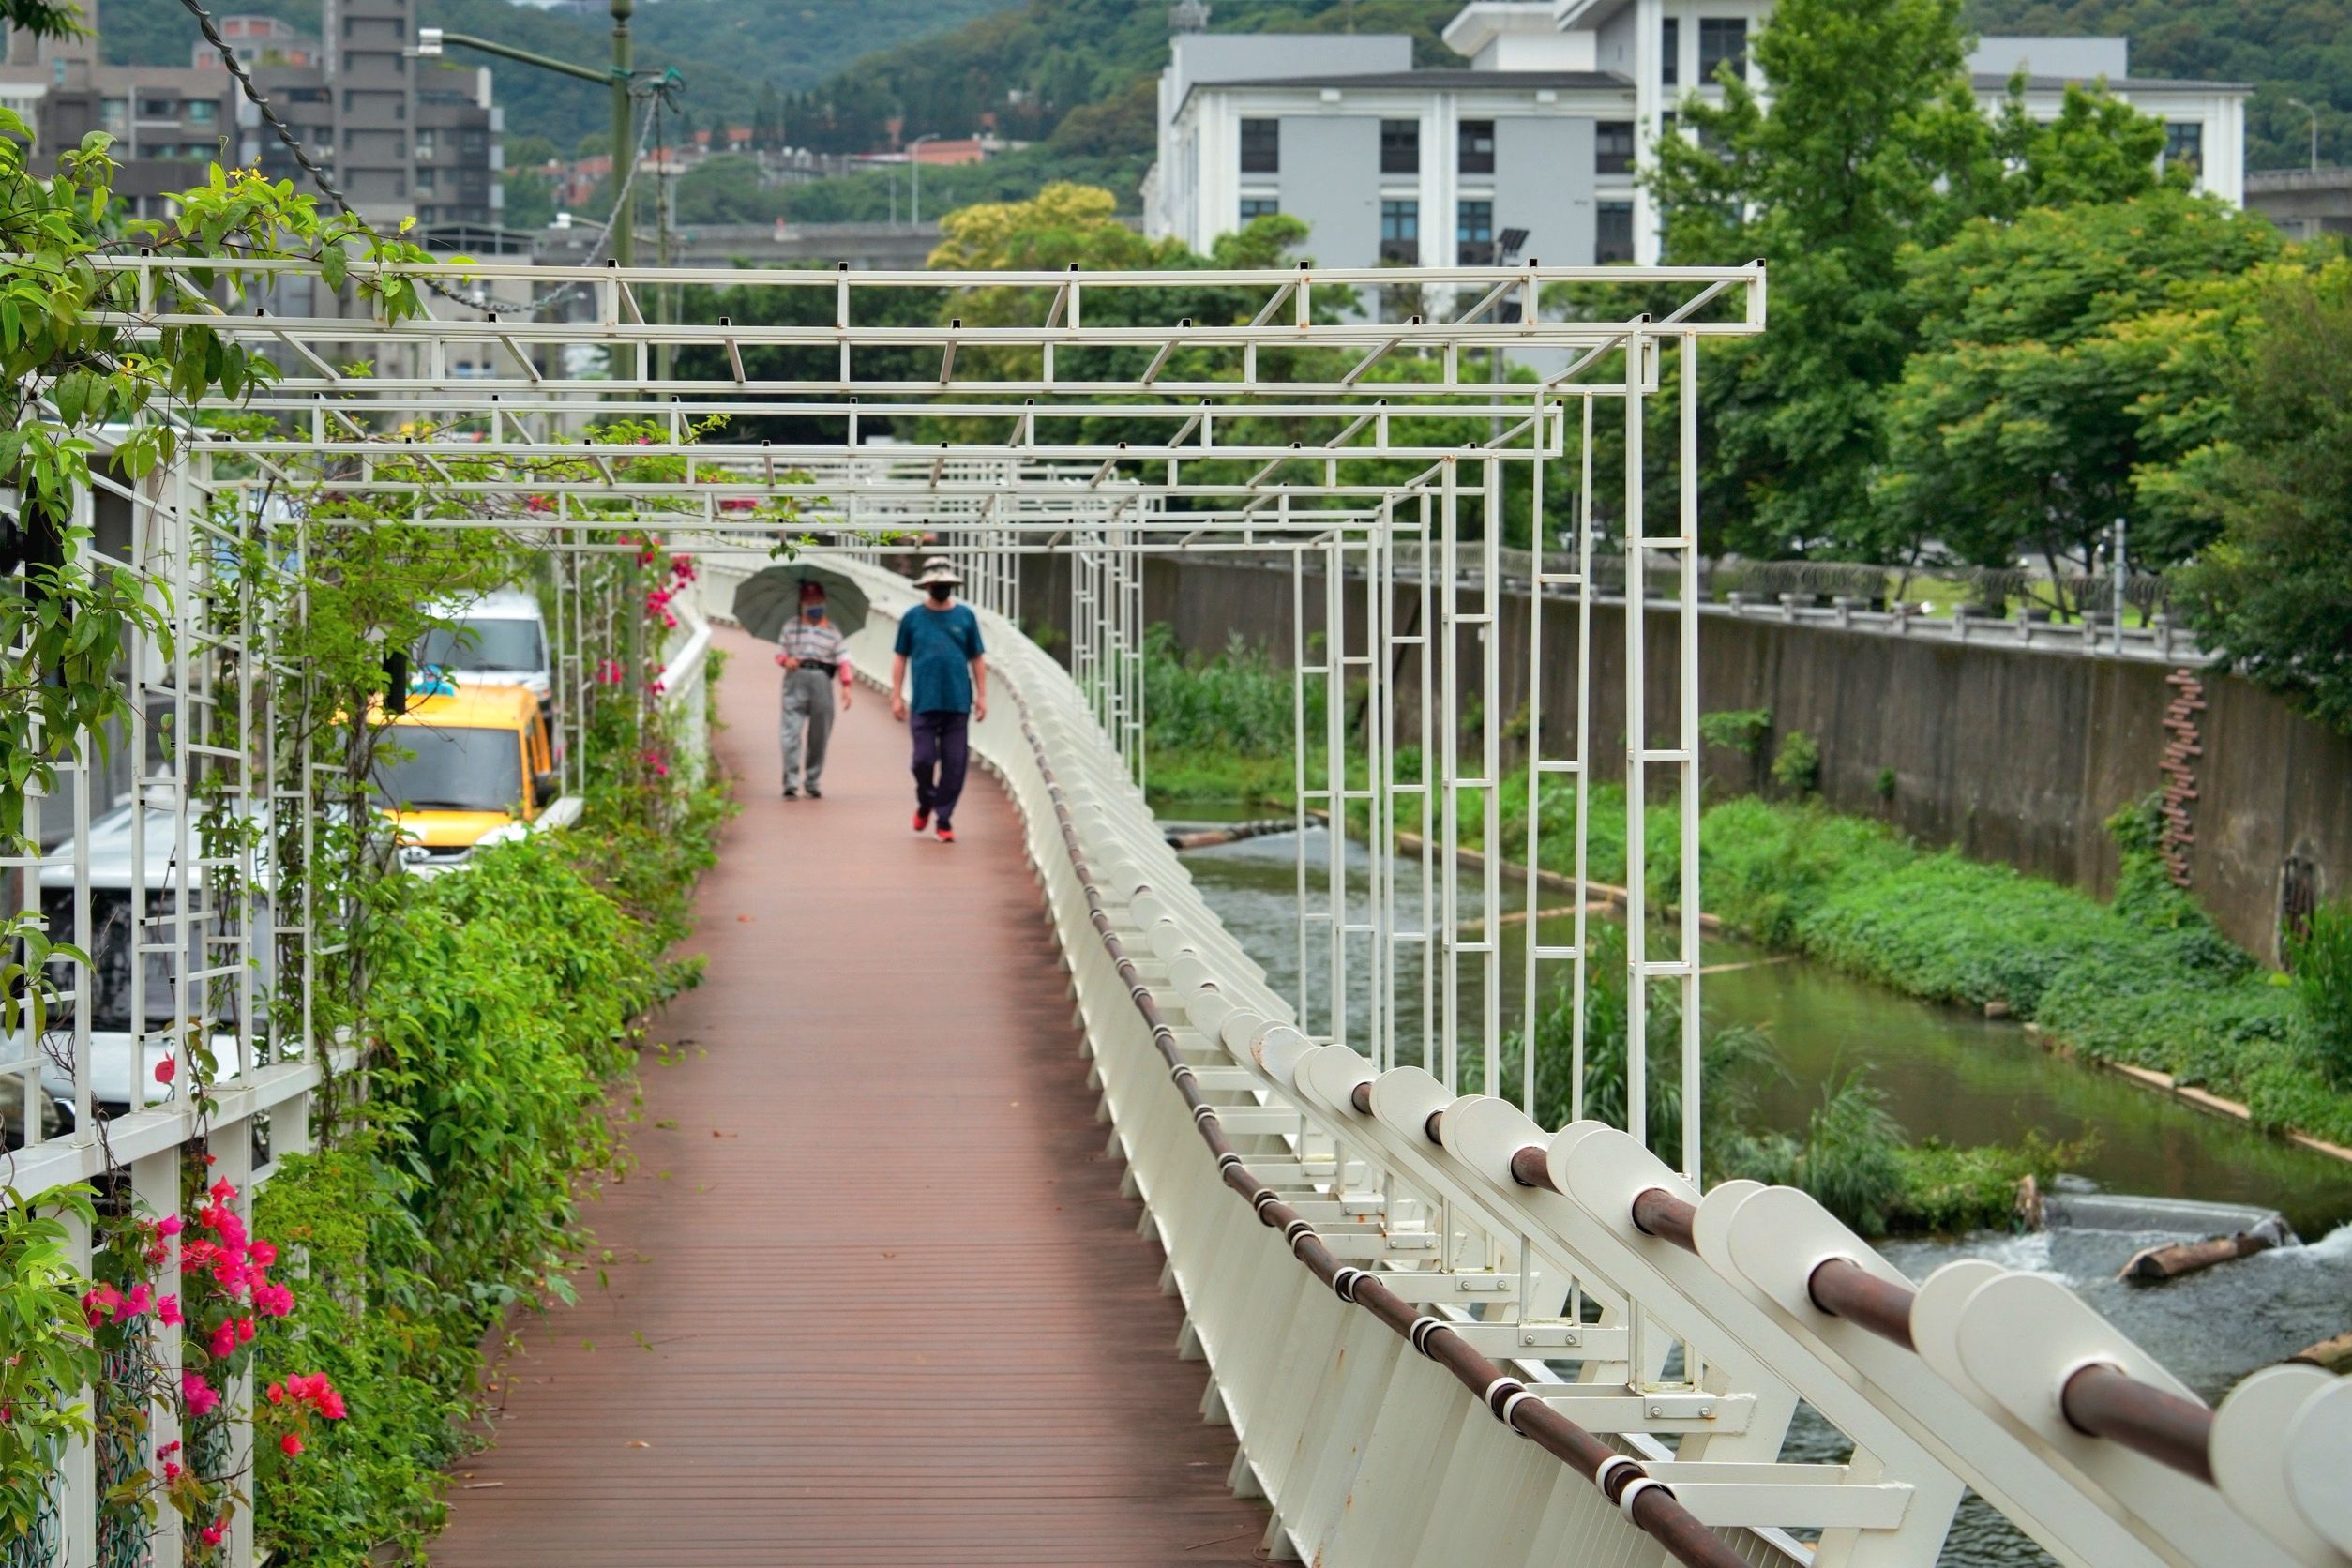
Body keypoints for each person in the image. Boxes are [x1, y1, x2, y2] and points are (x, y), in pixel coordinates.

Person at [891, 559, 986, 843]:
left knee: (955, 765)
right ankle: (926, 801)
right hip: (924, 702)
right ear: (928, 585)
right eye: (937, 584)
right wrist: (896, 695)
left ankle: (943, 819)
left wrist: (983, 696)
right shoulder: (912, 618)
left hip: (957, 702)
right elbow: (900, 656)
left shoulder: (966, 617)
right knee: (922, 760)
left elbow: (977, 657)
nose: (941, 588)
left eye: (946, 585)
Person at [776, 580, 852, 798]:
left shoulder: (833, 631)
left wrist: (846, 686)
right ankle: (790, 780)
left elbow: (843, 659)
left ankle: (812, 779)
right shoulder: (791, 626)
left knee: (820, 733)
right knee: (790, 731)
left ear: (824, 602)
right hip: (795, 677)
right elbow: (780, 653)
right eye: (810, 601)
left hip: (821, 679)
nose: (814, 605)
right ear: (801, 603)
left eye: (818, 601)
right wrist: (785, 661)